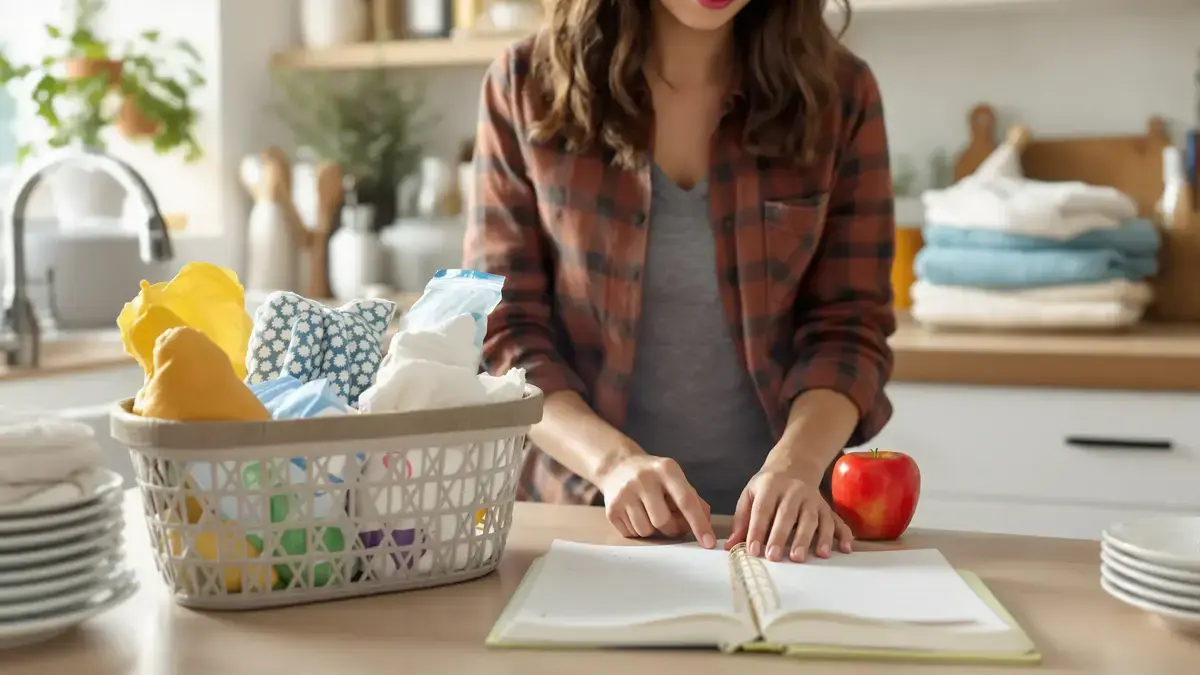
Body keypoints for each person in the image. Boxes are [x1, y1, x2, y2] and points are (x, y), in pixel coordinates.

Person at [464, 0, 895, 564]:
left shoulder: (840, 94)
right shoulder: (524, 86)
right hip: (582, 522)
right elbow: (503, 334)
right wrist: (613, 462)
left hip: (782, 538)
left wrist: (796, 465)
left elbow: (848, 328)